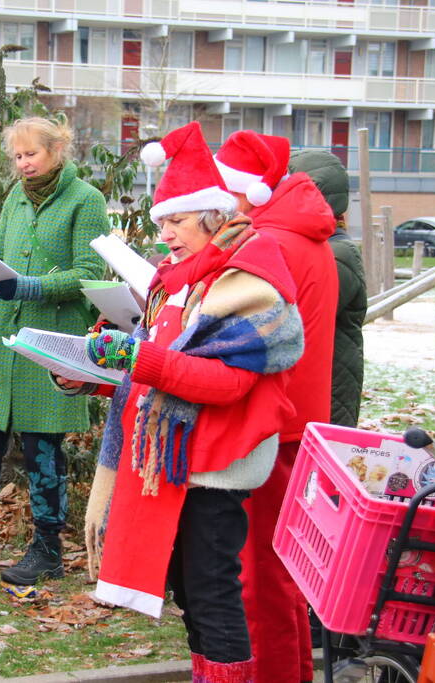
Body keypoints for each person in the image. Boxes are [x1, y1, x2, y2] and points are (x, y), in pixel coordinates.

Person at [79, 122, 304, 683]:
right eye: (161, 224)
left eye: (175, 221)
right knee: (191, 593)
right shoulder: (187, 278)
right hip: (187, 459)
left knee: (211, 594)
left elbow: (225, 382)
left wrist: (134, 359)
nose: (167, 236)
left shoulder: (251, 273)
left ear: (211, 215)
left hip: (220, 464)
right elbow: (162, 365)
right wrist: (89, 375)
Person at [0, 116, 108, 586]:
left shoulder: (85, 200)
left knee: (41, 449)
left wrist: (25, 287)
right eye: (17, 156)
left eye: (31, 154)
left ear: (57, 150)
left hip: (51, 342)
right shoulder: (14, 196)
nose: (23, 163)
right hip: (4, 342)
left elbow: (89, 275)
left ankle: (47, 549)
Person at [214, 130, 338, 683]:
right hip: (295, 420)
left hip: (271, 424)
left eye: (224, 189)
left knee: (259, 575)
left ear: (250, 193)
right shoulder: (299, 236)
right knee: (279, 571)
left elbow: (243, 336)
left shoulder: (272, 244)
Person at [287, 148, 367, 428]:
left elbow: (298, 309)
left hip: (330, 390)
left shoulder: (337, 253)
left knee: (319, 465)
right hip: (315, 385)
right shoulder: (323, 247)